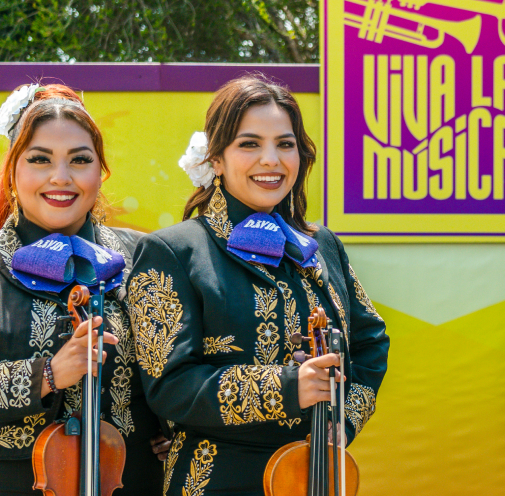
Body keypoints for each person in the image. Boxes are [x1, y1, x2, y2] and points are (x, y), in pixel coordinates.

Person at [0, 83, 168, 495]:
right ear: (12, 171)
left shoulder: (146, 257)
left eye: (80, 160)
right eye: (40, 159)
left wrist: (177, 430)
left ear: (101, 171)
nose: (61, 177)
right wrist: (47, 375)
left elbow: (179, 372)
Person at [127, 75, 390, 496]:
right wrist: (289, 386)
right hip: (215, 478)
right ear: (216, 159)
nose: (271, 160)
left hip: (315, 476)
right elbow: (169, 387)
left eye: (285, 144)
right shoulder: (172, 251)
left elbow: (370, 340)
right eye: (249, 144)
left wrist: (343, 419)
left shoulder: (321, 243)